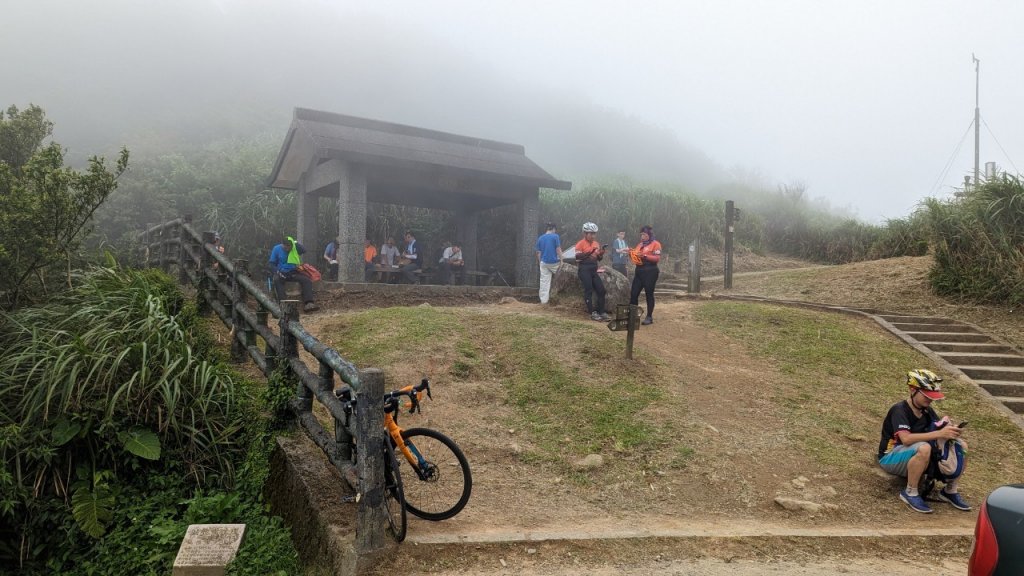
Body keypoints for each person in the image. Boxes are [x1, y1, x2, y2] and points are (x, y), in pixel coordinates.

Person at [877, 369, 971, 514]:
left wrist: (951, 432)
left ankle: (950, 490)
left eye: (933, 397)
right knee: (924, 448)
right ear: (913, 389)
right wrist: (939, 433)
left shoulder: (927, 411)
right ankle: (910, 492)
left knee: (962, 446)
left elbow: (937, 430)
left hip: (916, 452)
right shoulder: (899, 410)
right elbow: (906, 439)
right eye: (927, 396)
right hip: (890, 456)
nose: (931, 400)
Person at [269, 235, 318, 312]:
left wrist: (295, 243)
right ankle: (284, 305)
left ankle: (309, 303)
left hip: (293, 272)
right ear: (282, 244)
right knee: (277, 280)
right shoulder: (276, 249)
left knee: (306, 280)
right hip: (281, 272)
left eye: (289, 247)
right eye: (286, 247)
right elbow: (272, 264)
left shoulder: (294, 248)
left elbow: (304, 250)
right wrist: (277, 272)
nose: (288, 249)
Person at [574, 222, 610, 321]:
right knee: (588, 290)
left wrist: (601, 253)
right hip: (584, 270)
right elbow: (577, 257)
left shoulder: (596, 243)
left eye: (594, 233)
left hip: (594, 270)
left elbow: (598, 258)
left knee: (601, 290)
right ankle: (592, 312)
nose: (593, 236)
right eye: (591, 233)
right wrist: (590, 252)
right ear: (585, 233)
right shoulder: (580, 244)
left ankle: (601, 311)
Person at [628, 225, 662, 325]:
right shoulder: (640, 245)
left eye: (644, 234)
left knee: (649, 293)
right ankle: (633, 316)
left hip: (650, 271)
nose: (642, 236)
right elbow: (635, 257)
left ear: (649, 235)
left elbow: (657, 258)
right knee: (634, 293)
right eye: (641, 234)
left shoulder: (656, 244)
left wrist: (645, 256)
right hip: (639, 271)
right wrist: (630, 253)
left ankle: (649, 316)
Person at [535, 222, 562, 304]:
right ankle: (560, 298)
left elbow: (538, 252)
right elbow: (558, 249)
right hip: (554, 263)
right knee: (562, 276)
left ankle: (543, 302)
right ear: (553, 229)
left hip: (544, 262)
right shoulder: (555, 236)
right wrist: (562, 260)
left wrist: (540, 262)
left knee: (544, 282)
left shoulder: (540, 238)